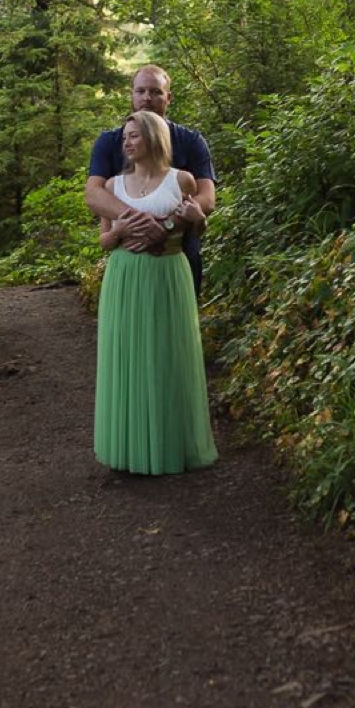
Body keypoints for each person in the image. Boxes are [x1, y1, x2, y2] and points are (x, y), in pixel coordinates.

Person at [92, 110, 218, 475]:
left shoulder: (182, 180)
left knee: (168, 355)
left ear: (153, 137)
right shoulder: (113, 186)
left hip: (169, 275)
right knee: (128, 357)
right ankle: (129, 448)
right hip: (125, 278)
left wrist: (199, 218)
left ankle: (170, 444)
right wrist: (117, 234)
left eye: (134, 136)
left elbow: (197, 230)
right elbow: (103, 240)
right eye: (124, 137)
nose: (126, 142)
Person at [85, 65, 217, 296]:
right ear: (132, 95)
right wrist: (143, 224)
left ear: (169, 97)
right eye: (141, 91)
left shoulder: (190, 141)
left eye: (156, 91)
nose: (147, 98)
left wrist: (168, 226)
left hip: (179, 250)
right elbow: (94, 194)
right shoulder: (110, 141)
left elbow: (206, 198)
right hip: (129, 255)